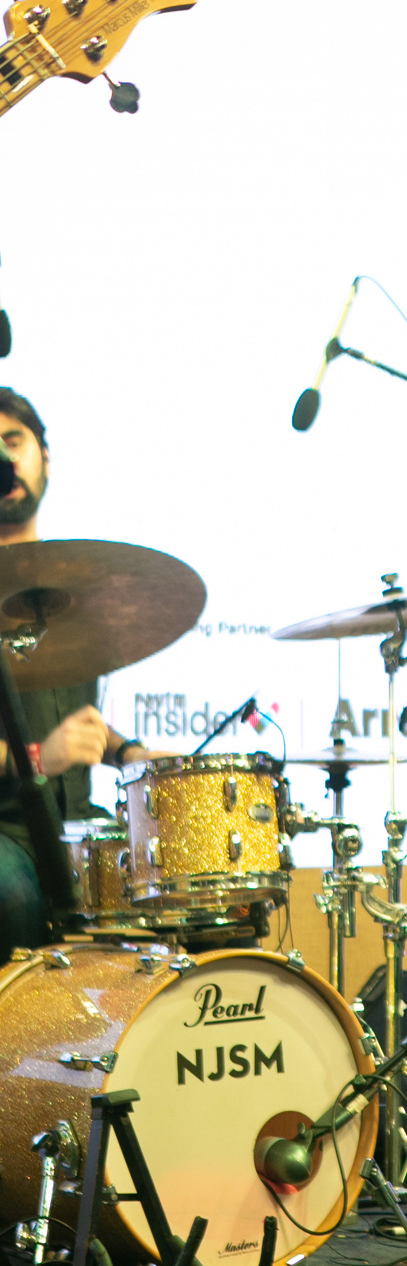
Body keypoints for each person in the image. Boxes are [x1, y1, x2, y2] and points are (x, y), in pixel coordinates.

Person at [0, 389, 147, 955]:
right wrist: (41, 758)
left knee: (171, 874)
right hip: (7, 831)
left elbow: (71, 720)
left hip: (78, 824)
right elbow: (51, 744)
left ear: (45, 458)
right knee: (11, 895)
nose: (4, 459)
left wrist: (131, 754)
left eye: (13, 441)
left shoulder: (75, 588)